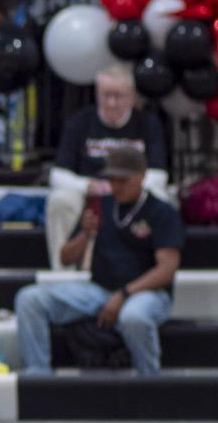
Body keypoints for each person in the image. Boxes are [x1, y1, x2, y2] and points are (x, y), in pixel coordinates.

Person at [16, 143, 181, 376]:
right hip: (99, 288)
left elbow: (167, 269)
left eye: (123, 180)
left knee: (134, 317)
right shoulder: (101, 204)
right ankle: (38, 375)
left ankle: (149, 381)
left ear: (141, 176)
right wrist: (85, 234)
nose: (116, 186)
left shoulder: (162, 211)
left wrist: (124, 294)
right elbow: (65, 257)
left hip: (148, 294)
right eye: (112, 179)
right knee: (29, 299)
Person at [46, 69, 171, 268]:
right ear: (97, 95)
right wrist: (87, 185)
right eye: (106, 96)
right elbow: (58, 174)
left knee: (162, 199)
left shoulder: (148, 124)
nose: (111, 102)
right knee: (60, 200)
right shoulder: (79, 122)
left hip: (134, 191)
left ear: (131, 96)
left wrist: (125, 186)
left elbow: (159, 175)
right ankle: (63, 274)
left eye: (118, 96)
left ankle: (153, 269)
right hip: (90, 192)